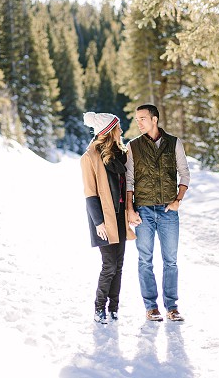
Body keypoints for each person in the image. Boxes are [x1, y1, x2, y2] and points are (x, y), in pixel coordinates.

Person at [125, 104, 190, 322]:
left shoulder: (174, 143)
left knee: (170, 260)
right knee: (145, 260)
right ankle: (151, 307)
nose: (139, 122)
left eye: (142, 118)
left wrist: (178, 200)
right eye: (137, 119)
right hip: (143, 210)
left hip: (168, 211)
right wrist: (130, 209)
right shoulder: (133, 146)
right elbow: (129, 181)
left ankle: (172, 307)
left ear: (155, 119)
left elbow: (184, 173)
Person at [81, 112, 136, 324]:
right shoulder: (89, 158)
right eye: (118, 127)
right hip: (104, 220)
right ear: (109, 130)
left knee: (119, 265)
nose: (121, 131)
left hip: (120, 217)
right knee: (109, 265)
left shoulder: (121, 155)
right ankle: (99, 308)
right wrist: (98, 222)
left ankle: (114, 308)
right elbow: (89, 193)